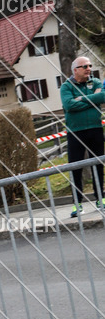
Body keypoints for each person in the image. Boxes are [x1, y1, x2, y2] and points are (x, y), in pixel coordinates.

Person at [60, 56, 105, 218]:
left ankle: (100, 198)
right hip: (75, 132)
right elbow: (69, 105)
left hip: (95, 129)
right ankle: (77, 203)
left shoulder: (96, 83)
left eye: (90, 65)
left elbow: (103, 97)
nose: (88, 68)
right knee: (75, 168)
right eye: (84, 66)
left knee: (98, 165)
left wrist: (82, 98)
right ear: (75, 70)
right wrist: (93, 99)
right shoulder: (66, 87)